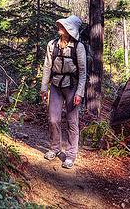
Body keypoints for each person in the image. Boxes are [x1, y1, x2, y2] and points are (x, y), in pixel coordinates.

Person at [41, 15, 86, 169]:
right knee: (53, 119)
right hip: (55, 86)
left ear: (70, 30)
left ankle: (71, 155)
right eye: (61, 25)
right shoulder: (52, 45)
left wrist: (79, 92)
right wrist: (44, 88)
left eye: (64, 26)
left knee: (72, 122)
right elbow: (47, 67)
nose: (60, 27)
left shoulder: (78, 48)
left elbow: (83, 72)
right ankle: (54, 149)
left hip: (72, 88)